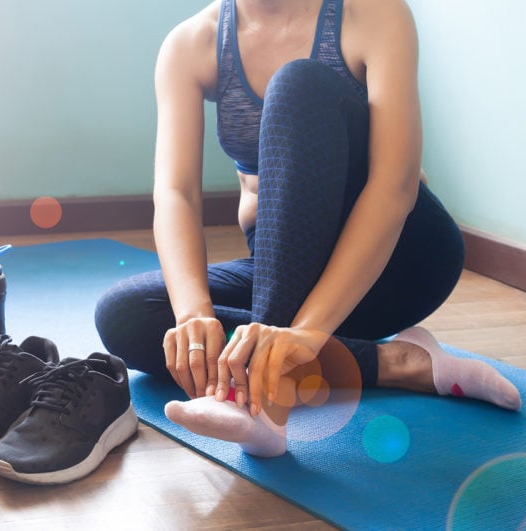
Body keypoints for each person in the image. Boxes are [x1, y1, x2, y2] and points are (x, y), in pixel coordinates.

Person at [95, 0, 521, 457]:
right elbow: (176, 193)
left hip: (401, 262)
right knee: (127, 313)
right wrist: (194, 314)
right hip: (290, 273)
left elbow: (395, 188)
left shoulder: (372, 13)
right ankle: (395, 362)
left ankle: (264, 399)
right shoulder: (192, 43)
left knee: (297, 82)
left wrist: (309, 331)